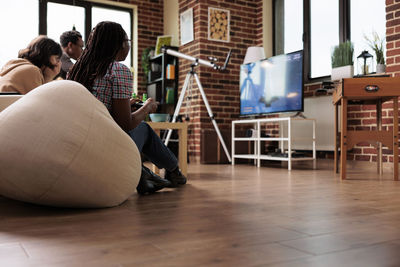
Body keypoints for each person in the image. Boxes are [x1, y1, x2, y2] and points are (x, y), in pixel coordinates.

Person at [68, 21, 186, 195]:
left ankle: (145, 175)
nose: (128, 46)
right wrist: (147, 107)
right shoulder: (118, 70)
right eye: (127, 41)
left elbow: (95, 108)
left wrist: (125, 104)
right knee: (143, 127)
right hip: (106, 146)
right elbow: (126, 124)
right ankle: (173, 171)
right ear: (119, 44)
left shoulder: (77, 71)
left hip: (81, 141)